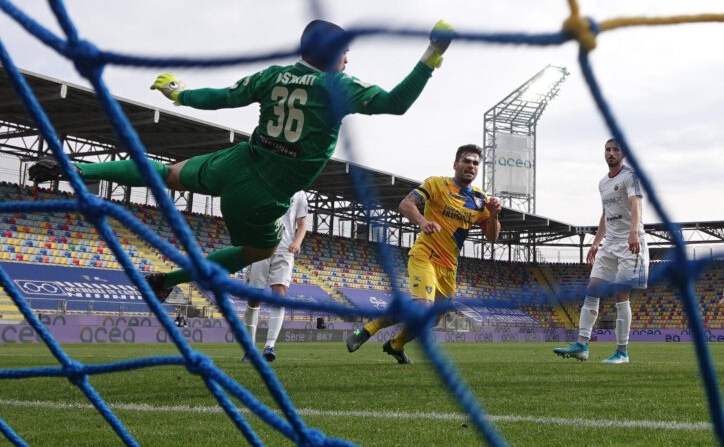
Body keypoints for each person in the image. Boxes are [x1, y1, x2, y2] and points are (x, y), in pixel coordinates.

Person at [29, 19, 453, 301]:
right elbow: (396, 104)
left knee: (166, 173)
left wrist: (179, 93)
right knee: (259, 249)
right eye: (346, 50)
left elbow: (222, 98)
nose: (349, 58)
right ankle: (165, 281)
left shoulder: (272, 75)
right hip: (264, 193)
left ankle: (73, 168)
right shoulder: (338, 86)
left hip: (238, 160)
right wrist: (432, 54)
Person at [345, 144, 501, 364]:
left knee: (432, 319)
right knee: (422, 309)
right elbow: (406, 204)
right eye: (466, 160)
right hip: (425, 256)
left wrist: (494, 216)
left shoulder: (480, 199)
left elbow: (492, 238)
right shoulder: (437, 184)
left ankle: (395, 345)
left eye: (475, 163)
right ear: (455, 164)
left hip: (449, 268)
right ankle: (368, 330)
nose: (471, 166)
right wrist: (423, 221)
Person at [554, 139, 649, 365]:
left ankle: (622, 352)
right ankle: (582, 345)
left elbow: (636, 203)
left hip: (629, 243)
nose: (611, 153)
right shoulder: (603, 183)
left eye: (615, 149)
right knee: (592, 289)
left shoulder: (630, 176)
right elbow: (606, 213)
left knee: (620, 294)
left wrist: (633, 232)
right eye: (608, 149)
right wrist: (596, 242)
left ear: (622, 153)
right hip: (610, 244)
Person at [242, 189, 308, 362]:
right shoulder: (266, 180)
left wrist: (297, 242)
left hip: (285, 249)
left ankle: (269, 346)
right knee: (254, 299)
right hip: (261, 245)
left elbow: (301, 225)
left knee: (279, 296)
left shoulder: (300, 193)